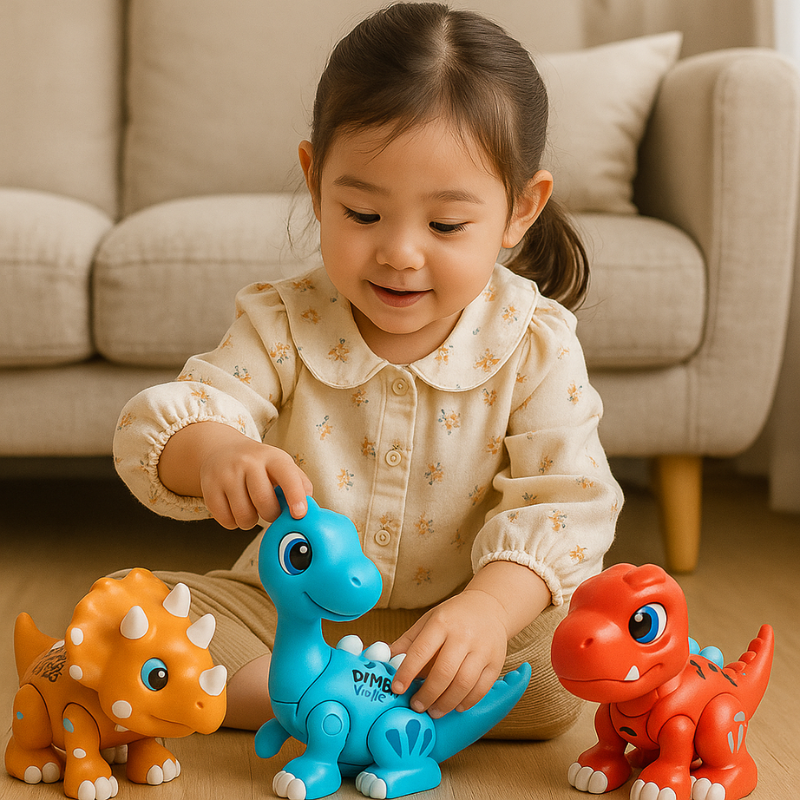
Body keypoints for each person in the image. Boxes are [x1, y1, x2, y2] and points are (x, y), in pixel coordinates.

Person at [113, 1, 623, 739]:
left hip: (453, 623)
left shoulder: (534, 343)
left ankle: (311, 706)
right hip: (289, 615)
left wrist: (488, 609)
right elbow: (183, 416)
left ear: (521, 210)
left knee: (551, 681)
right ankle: (361, 712)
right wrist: (217, 452)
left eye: (445, 225)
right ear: (315, 179)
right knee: (137, 614)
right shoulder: (282, 320)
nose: (400, 253)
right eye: (362, 214)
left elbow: (566, 504)